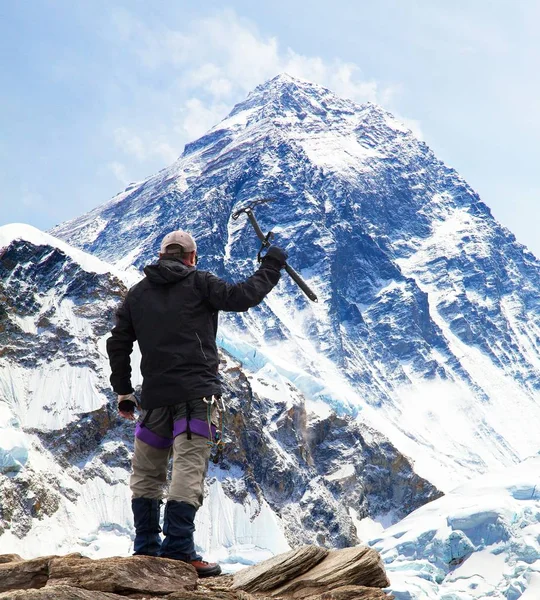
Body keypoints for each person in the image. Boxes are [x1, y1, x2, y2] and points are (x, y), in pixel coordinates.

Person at [106, 230, 287, 577]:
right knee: (187, 470)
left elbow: (118, 344)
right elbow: (243, 296)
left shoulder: (137, 295)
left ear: (162, 256)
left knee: (146, 474)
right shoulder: (200, 282)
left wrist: (124, 391)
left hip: (154, 401)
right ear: (191, 257)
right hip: (196, 397)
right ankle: (178, 550)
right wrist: (272, 265)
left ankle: (145, 549)